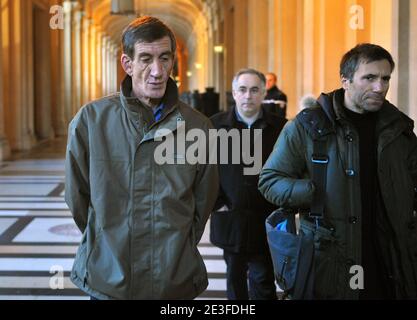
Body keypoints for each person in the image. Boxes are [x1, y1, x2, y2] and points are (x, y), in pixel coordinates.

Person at [65, 16, 219, 300]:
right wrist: (104, 241)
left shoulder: (198, 127)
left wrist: (179, 244)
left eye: (164, 58)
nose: (157, 71)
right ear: (128, 64)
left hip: (172, 280)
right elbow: (77, 197)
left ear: (173, 61)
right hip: (109, 279)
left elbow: (203, 201)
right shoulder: (91, 121)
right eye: (146, 59)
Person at [259, 43, 417, 299]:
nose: (380, 87)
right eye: (369, 78)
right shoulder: (309, 126)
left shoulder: (398, 129)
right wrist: (312, 191)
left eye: (385, 78)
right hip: (331, 261)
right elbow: (269, 181)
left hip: (389, 260)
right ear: (345, 80)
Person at [210, 68, 287, 300]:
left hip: (265, 218)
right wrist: (217, 203)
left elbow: (290, 169)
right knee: (234, 278)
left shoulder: (280, 128)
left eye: (254, 90)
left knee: (263, 279)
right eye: (242, 90)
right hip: (230, 217)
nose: (248, 96)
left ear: (264, 92)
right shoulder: (215, 126)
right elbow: (204, 169)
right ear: (234, 93)